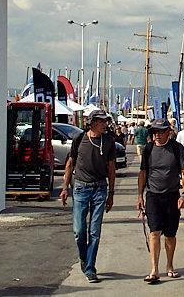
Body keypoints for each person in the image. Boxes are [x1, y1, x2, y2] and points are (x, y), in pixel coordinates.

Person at [60, 113, 116, 283]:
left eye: (105, 122)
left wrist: (111, 194)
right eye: (100, 122)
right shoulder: (79, 139)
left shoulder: (108, 141)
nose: (104, 125)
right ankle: (84, 258)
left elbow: (111, 168)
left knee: (94, 231)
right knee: (79, 231)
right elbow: (70, 163)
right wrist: (64, 188)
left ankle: (90, 267)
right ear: (92, 123)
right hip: (81, 188)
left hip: (100, 188)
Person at [136, 118, 184, 284]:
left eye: (161, 131)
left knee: (170, 235)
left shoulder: (176, 148)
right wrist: (139, 196)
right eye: (155, 132)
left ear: (168, 132)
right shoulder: (148, 149)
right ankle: (154, 269)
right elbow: (143, 173)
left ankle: (170, 265)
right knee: (154, 232)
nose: (157, 135)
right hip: (153, 196)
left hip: (172, 196)